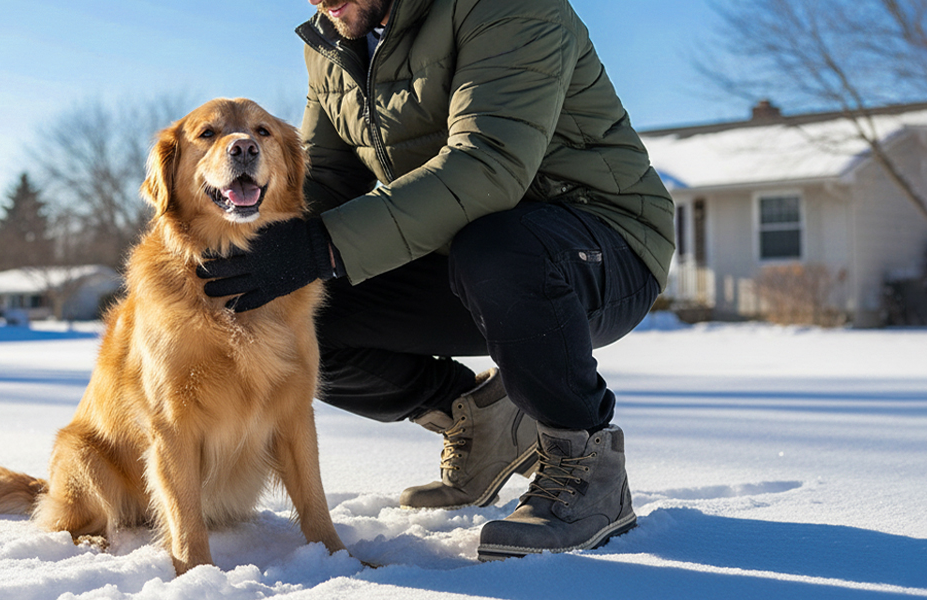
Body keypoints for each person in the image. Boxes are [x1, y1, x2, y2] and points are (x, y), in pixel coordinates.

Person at [196, 0, 674, 559]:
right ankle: (479, 415)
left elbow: (489, 162)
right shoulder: (331, 39)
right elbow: (327, 176)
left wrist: (322, 245)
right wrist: (256, 255)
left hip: (602, 240)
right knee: (300, 315)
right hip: (457, 251)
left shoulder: (508, 8)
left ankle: (585, 463)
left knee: (499, 249)